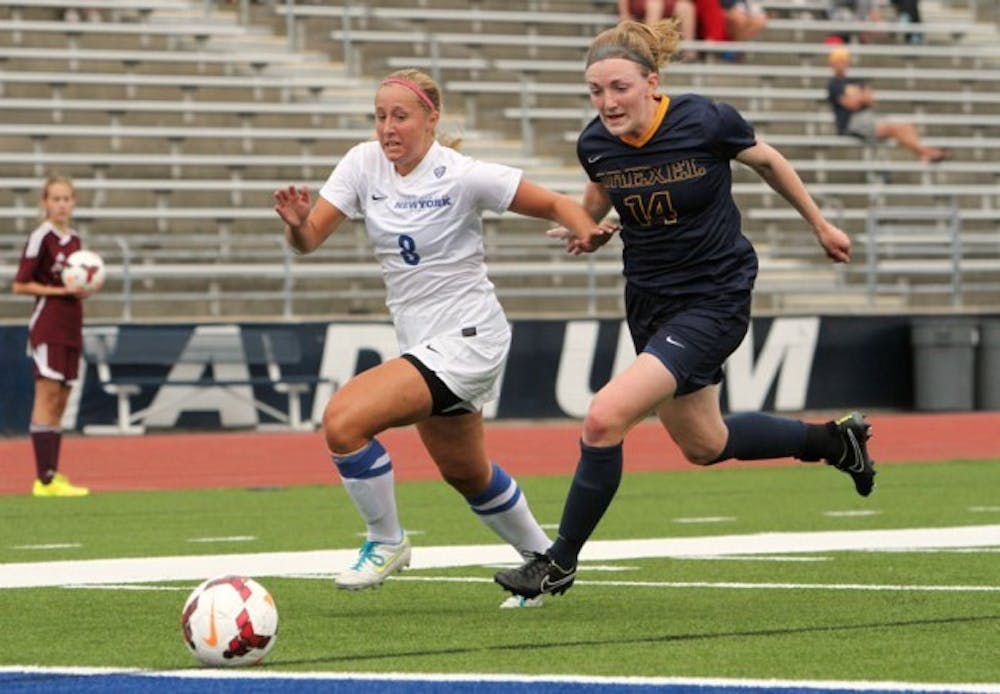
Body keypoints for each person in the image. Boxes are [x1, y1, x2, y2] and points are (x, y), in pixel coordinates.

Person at [494, 19, 877, 600]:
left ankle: (558, 562)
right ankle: (834, 443)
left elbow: (768, 162)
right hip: (649, 300)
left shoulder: (705, 119)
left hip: (715, 295)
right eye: (595, 91)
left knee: (603, 418)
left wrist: (820, 224)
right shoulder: (595, 141)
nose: (607, 102)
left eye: (619, 87)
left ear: (652, 82)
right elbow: (601, 192)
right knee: (705, 445)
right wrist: (589, 230)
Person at [273, 69, 612, 600]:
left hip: (469, 337)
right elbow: (309, 240)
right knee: (466, 472)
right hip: (423, 343)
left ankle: (386, 541)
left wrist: (586, 228)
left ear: (432, 119)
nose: (387, 127)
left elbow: (551, 202)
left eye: (400, 116)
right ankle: (547, 565)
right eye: (380, 116)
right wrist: (296, 223)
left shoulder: (460, 174)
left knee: (343, 421)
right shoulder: (362, 164)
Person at [12, 174, 91, 498]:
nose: (61, 205)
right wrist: (59, 290)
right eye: (55, 199)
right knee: (46, 395)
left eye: (66, 199)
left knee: (61, 398)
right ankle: (42, 479)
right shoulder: (41, 236)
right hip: (48, 323)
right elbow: (20, 284)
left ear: (73, 202)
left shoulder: (74, 239)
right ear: (45, 203)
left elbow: (75, 281)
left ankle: (52, 474)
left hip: (72, 323)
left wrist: (83, 288)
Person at [826, 46, 950, 162]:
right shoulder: (834, 85)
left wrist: (858, 98)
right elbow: (852, 104)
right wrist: (860, 97)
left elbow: (869, 98)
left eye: (843, 60)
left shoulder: (855, 80)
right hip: (851, 123)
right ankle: (926, 153)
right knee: (895, 128)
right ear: (832, 64)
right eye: (838, 61)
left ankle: (924, 153)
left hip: (867, 117)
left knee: (907, 126)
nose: (841, 64)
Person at [619, 0, 699, 62]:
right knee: (655, 4)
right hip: (644, 3)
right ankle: (650, 48)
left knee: (686, 7)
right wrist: (624, 13)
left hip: (666, 3)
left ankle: (689, 54)